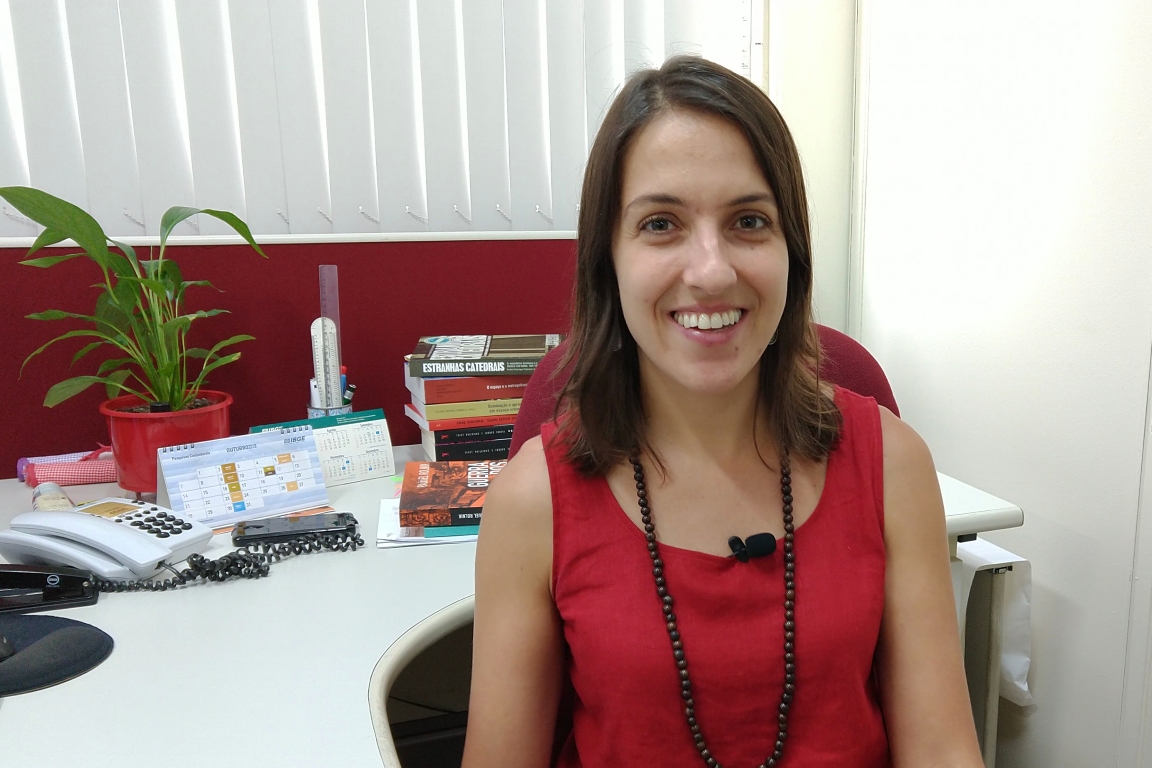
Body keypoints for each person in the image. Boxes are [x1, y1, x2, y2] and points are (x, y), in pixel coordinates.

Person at [462, 56, 982, 768]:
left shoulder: (893, 464)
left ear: (791, 250)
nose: (711, 270)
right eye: (661, 224)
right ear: (607, 258)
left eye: (748, 221)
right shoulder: (532, 501)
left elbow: (943, 750)